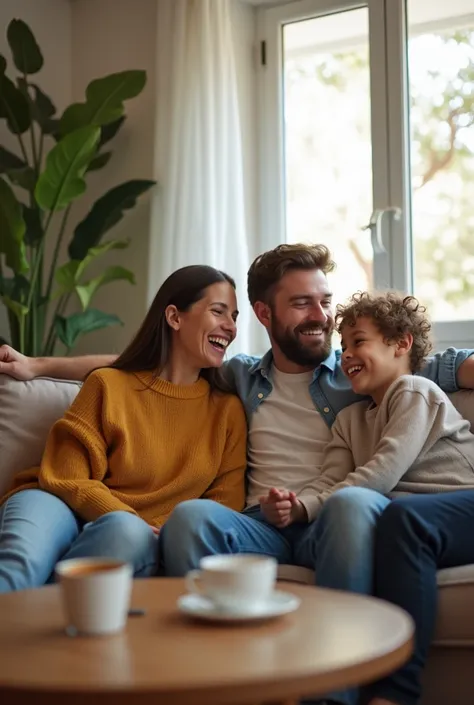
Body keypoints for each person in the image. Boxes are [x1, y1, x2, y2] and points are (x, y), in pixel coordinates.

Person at [1, 244, 474, 705]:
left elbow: (426, 362)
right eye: (302, 302)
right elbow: (144, 366)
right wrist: (38, 365)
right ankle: (206, 678)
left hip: (328, 517)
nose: (321, 316)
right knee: (191, 518)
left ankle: (332, 695)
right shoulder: (239, 377)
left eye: (326, 302)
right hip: (259, 524)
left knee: (352, 507)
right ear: (265, 314)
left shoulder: (358, 373)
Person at [0, 265, 247, 593]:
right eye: (218, 312)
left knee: (125, 533)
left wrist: (153, 528)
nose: (230, 327)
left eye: (234, 316)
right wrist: (127, 516)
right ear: (174, 317)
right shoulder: (108, 383)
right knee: (21, 561)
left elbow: (222, 506)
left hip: (133, 533)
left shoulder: (227, 411)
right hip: (57, 501)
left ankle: (41, 627)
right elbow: (67, 476)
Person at [259, 292, 474, 529]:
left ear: (402, 343)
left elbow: (384, 469)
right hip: (407, 517)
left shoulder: (415, 391)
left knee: (390, 515)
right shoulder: (348, 420)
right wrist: (297, 505)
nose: (346, 355)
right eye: (343, 346)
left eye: (358, 342)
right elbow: (330, 479)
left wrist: (313, 506)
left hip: (460, 503)